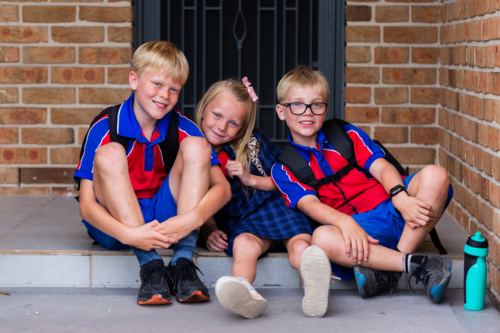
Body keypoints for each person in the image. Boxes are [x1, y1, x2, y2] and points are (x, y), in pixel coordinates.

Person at [271, 65, 454, 305]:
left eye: (316, 104)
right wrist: (345, 222)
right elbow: (311, 206)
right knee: (321, 238)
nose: (308, 113)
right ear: (281, 111)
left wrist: (399, 196)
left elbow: (381, 166)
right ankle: (414, 263)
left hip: (395, 210)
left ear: (325, 109)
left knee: (437, 176)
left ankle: (388, 268)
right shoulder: (282, 168)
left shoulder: (345, 134)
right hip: (358, 233)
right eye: (297, 105)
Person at [74, 41, 231, 306]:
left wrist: (192, 219)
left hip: (167, 223)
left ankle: (182, 263)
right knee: (110, 153)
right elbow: (87, 207)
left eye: (173, 89)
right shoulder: (104, 126)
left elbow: (223, 188)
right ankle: (151, 267)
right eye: (157, 84)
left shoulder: (184, 127)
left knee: (197, 145)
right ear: (134, 80)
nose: (165, 95)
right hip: (116, 225)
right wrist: (128, 234)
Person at [197, 78, 331, 318]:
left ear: (244, 126)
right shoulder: (194, 150)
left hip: (277, 205)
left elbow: (284, 179)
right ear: (204, 109)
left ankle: (315, 290)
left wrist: (249, 178)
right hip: (242, 219)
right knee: (243, 246)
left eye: (233, 123)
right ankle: (243, 293)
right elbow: (197, 199)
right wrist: (209, 229)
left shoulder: (253, 143)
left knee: (300, 246)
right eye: (217, 116)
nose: (222, 126)